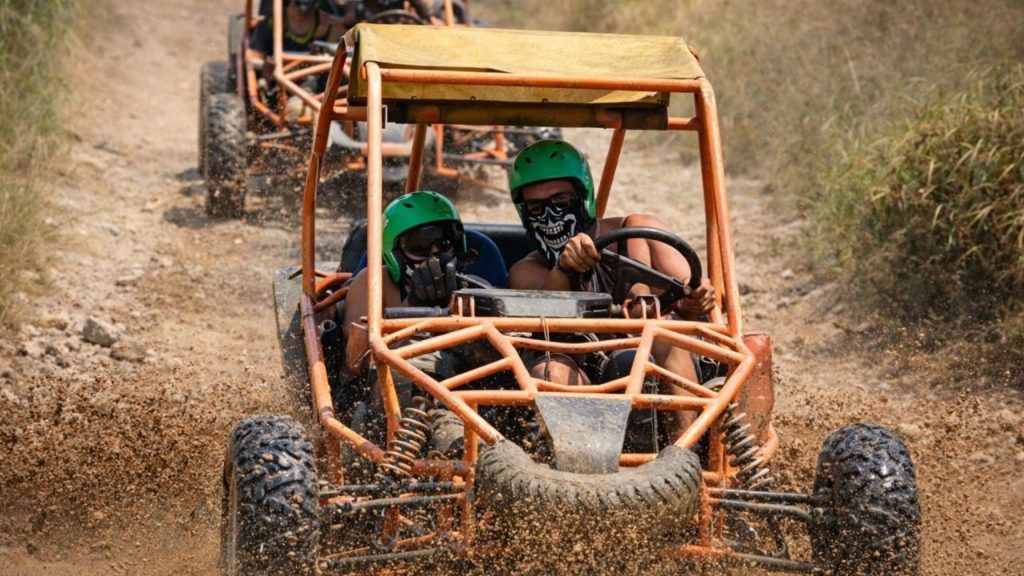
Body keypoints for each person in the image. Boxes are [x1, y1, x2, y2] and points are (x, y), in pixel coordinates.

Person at [507, 139, 717, 433]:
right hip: (587, 370)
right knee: (549, 368)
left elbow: (692, 287)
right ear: (523, 211)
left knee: (661, 329)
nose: (549, 215)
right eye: (536, 206)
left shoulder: (638, 231)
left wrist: (696, 298)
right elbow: (548, 321)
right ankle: (578, 466)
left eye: (560, 201)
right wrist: (565, 267)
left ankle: (688, 453)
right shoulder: (527, 271)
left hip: (669, 356)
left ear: (583, 197)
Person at [342, 191, 502, 380]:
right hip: (393, 384)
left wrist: (456, 308)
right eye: (419, 245)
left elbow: (500, 357)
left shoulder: (475, 286)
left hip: (465, 386)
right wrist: (415, 304)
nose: (434, 255)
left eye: (445, 241)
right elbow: (357, 359)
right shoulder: (375, 282)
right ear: (395, 251)